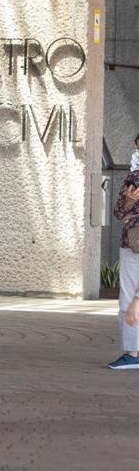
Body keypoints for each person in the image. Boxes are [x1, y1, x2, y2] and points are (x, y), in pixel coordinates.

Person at [109, 133, 139, 370]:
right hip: (132, 243)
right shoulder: (133, 179)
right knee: (129, 297)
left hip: (133, 243)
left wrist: (130, 210)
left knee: (129, 299)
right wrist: (128, 204)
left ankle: (132, 353)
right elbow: (119, 213)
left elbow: (122, 215)